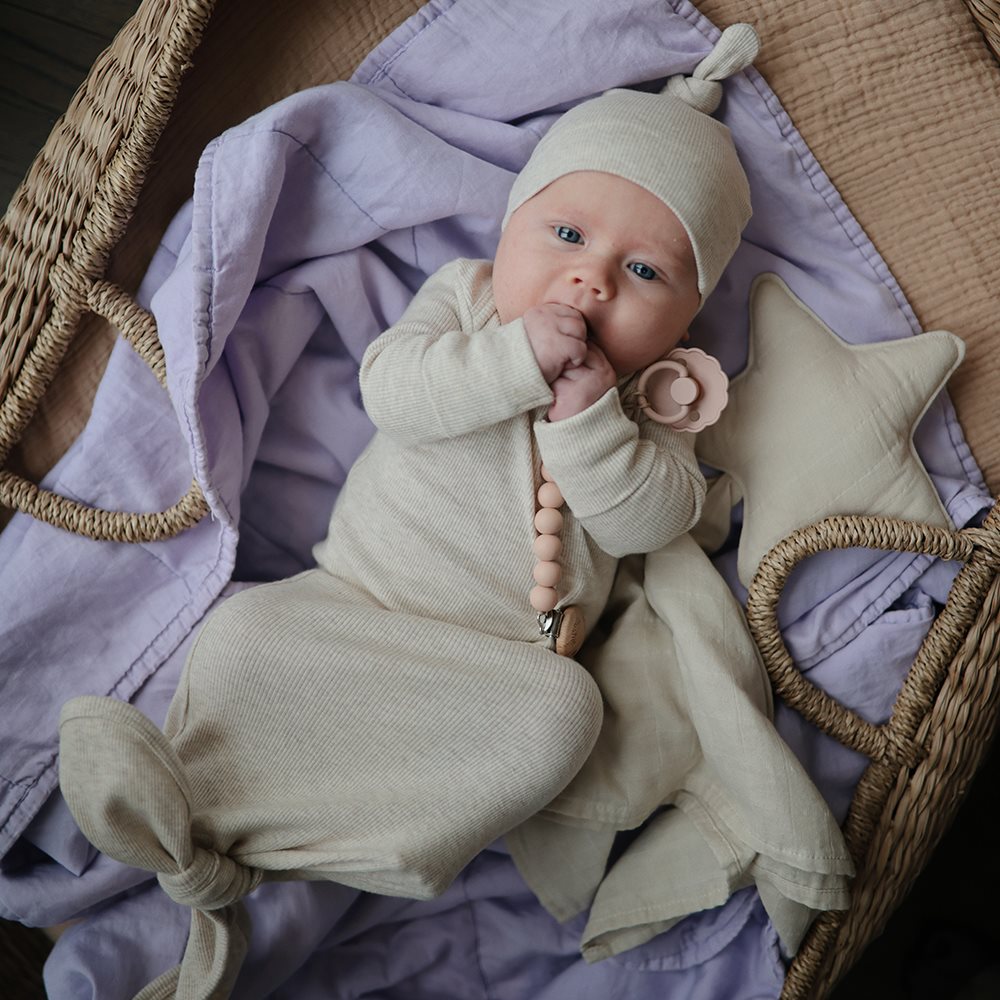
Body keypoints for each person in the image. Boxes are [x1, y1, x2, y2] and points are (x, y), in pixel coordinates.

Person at [58, 24, 760, 999]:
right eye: (565, 236)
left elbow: (650, 522)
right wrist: (514, 363)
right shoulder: (464, 303)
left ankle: (278, 878)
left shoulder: (660, 408)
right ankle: (176, 843)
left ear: (687, 321)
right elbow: (394, 392)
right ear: (510, 229)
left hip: (491, 678)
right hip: (355, 605)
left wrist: (588, 418)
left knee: (565, 718)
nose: (591, 277)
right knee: (246, 632)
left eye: (644, 272)